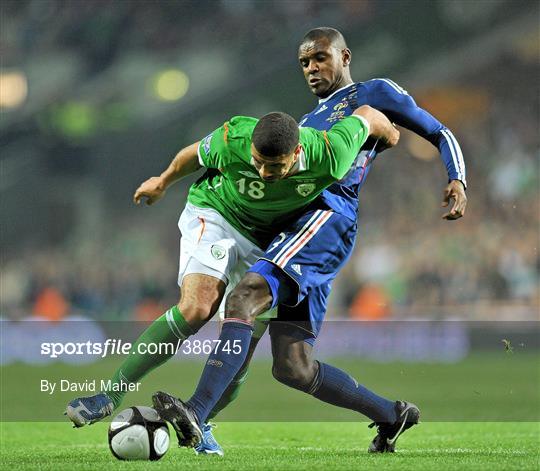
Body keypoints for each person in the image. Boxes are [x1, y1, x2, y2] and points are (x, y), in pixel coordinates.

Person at [151, 27, 467, 454]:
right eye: (304, 62)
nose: (312, 68)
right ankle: (393, 415)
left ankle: (196, 410)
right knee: (292, 367)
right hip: (301, 228)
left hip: (327, 221)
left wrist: (457, 178)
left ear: (345, 56)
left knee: (244, 297)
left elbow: (438, 131)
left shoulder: (370, 94)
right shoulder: (306, 123)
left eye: (320, 58)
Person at [65, 106, 398, 444]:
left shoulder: (330, 153)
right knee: (197, 306)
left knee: (240, 352)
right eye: (257, 162)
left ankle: (201, 420)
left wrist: (390, 133)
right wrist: (162, 181)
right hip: (217, 214)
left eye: (275, 166)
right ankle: (110, 395)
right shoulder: (234, 137)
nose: (264, 172)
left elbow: (367, 115)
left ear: (296, 153)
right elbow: (193, 155)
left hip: (266, 242)